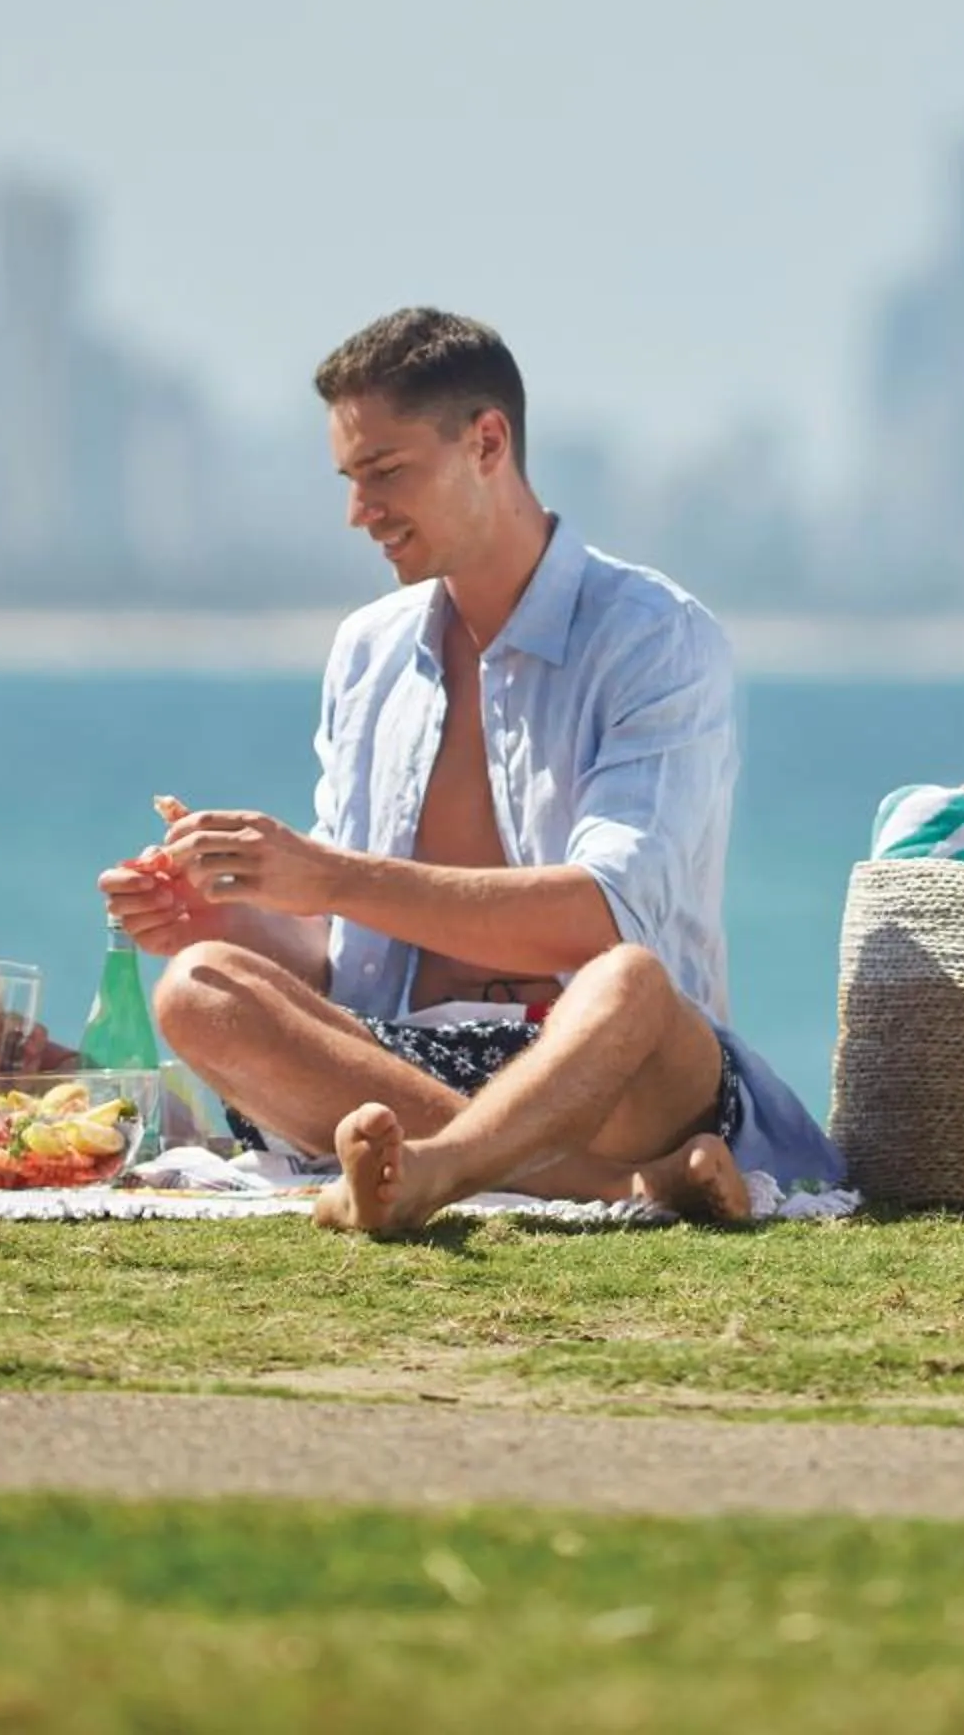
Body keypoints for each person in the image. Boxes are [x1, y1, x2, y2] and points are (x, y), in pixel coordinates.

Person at [103, 307, 847, 1233]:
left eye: (384, 472)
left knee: (627, 980)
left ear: (487, 442)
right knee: (200, 985)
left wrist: (323, 874)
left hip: (608, 1072)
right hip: (403, 1064)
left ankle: (437, 1169)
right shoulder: (368, 651)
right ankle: (613, 1189)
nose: (359, 511)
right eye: (350, 479)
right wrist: (233, 914)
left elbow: (606, 915)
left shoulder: (655, 637)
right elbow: (347, 958)